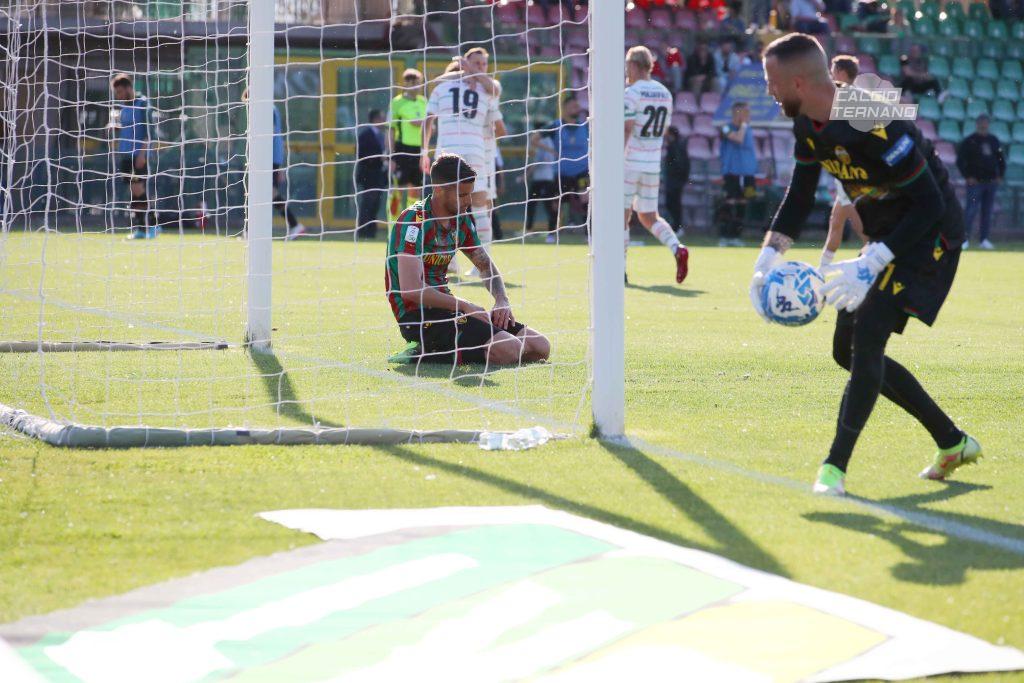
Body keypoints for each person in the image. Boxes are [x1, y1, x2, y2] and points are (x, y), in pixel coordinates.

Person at [751, 33, 977, 497]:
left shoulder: (871, 117)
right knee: (845, 351)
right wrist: (767, 257)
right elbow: (798, 194)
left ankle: (833, 470)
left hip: (929, 235)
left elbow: (929, 203)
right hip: (887, 234)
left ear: (797, 81)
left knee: (869, 332)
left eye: (772, 82)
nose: (769, 91)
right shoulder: (806, 126)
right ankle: (952, 442)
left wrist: (874, 259)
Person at [385, 153, 550, 366]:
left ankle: (441, 348)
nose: (468, 201)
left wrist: (501, 300)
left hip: (449, 310)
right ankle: (423, 353)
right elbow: (411, 290)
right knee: (510, 350)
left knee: (539, 347)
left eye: (469, 194)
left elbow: (485, 266)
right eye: (461, 195)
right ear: (438, 189)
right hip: (416, 316)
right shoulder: (414, 221)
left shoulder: (461, 221)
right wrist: (464, 305)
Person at [421, 48, 503, 273]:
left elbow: (428, 120)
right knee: (477, 206)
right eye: (473, 64)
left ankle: (451, 262)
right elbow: (494, 90)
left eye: (482, 64)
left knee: (445, 206)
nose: (478, 68)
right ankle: (474, 264)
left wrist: (423, 151)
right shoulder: (486, 91)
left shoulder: (442, 88)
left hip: (448, 151)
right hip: (475, 150)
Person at [623, 46, 690, 284]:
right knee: (649, 215)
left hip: (630, 161)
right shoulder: (665, 93)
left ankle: (619, 269)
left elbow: (627, 128)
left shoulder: (631, 93)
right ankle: (677, 248)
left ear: (633, 65)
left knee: (621, 216)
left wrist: (618, 158)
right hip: (652, 162)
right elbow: (662, 130)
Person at [241, 88, 305, 239]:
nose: (249, 107)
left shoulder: (266, 109)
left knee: (263, 192)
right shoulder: (271, 108)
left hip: (267, 157)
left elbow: (268, 133)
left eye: (248, 102)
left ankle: (294, 224)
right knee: (265, 193)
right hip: (271, 157)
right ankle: (252, 230)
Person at [822, 55, 866, 266]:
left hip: (848, 168)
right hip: (855, 166)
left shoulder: (842, 96)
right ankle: (822, 271)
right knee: (836, 222)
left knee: (859, 227)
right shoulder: (859, 96)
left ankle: (875, 259)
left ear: (840, 73)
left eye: (833, 71)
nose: (831, 75)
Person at [111, 73, 157, 240]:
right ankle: (141, 229)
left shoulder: (143, 104)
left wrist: (143, 154)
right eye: (116, 93)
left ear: (129, 88)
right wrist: (115, 127)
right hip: (125, 154)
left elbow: (149, 132)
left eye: (120, 91)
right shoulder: (123, 107)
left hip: (138, 154)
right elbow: (127, 128)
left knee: (139, 189)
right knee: (133, 191)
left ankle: (152, 226)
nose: (119, 95)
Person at [957, 114, 1004, 250]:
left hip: (991, 182)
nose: (983, 125)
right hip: (975, 183)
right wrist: (967, 176)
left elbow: (1001, 158)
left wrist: (1000, 175)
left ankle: (984, 239)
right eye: (981, 122)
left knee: (987, 212)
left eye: (985, 122)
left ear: (988, 124)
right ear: (977, 124)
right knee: (970, 211)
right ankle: (964, 239)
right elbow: (960, 161)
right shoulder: (970, 141)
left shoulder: (994, 140)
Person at [388, 68, 427, 226]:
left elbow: (430, 125)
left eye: (417, 83)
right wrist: (390, 155)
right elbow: (391, 129)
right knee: (397, 188)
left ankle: (411, 224)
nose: (414, 86)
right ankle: (393, 224)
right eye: (411, 82)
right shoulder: (397, 102)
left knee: (416, 188)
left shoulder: (424, 101)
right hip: (402, 149)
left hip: (419, 150)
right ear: (404, 84)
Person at [717, 101, 758, 246]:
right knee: (729, 201)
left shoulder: (748, 128)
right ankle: (724, 236)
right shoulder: (726, 127)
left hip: (748, 174)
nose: (749, 115)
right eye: (746, 112)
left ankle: (736, 237)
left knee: (744, 202)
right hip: (732, 173)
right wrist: (743, 125)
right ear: (737, 113)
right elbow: (738, 139)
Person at [549, 95, 590, 227]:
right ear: (565, 108)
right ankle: (552, 232)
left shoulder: (586, 126)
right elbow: (534, 139)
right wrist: (553, 152)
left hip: (582, 171)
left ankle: (588, 233)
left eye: (577, 106)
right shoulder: (555, 125)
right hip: (562, 172)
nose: (576, 109)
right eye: (573, 106)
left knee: (586, 199)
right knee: (556, 201)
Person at [355, 109, 388, 239]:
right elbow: (362, 154)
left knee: (375, 204)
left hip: (379, 175)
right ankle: (363, 231)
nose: (384, 121)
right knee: (367, 203)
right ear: (375, 120)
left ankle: (371, 232)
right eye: (381, 118)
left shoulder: (382, 135)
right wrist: (378, 158)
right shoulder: (365, 135)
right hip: (368, 175)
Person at [526, 119, 560, 239]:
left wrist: (527, 174)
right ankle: (551, 232)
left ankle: (531, 230)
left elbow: (539, 160)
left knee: (533, 205)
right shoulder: (551, 140)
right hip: (549, 177)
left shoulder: (543, 141)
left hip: (542, 179)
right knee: (549, 206)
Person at [663, 125, 690, 236]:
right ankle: (675, 227)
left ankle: (676, 227)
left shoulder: (675, 146)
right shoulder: (677, 145)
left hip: (674, 181)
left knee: (673, 204)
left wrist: (678, 178)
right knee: (672, 204)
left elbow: (680, 165)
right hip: (675, 180)